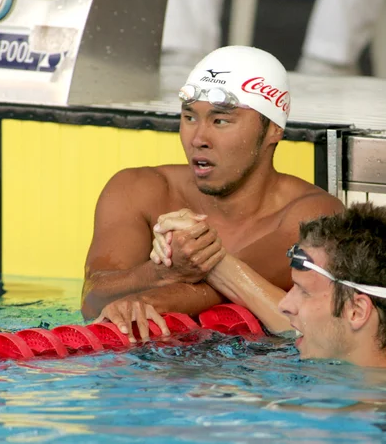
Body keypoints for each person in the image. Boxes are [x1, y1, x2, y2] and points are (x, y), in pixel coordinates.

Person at [82, 45, 344, 342]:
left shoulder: (312, 216)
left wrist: (144, 299)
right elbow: (92, 299)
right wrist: (162, 273)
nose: (198, 138)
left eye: (220, 121)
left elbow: (215, 292)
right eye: (190, 117)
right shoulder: (138, 190)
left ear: (272, 129)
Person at [151, 202, 386, 384]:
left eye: (302, 292)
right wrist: (188, 238)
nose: (286, 305)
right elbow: (266, 302)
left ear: (357, 311)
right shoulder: (366, 344)